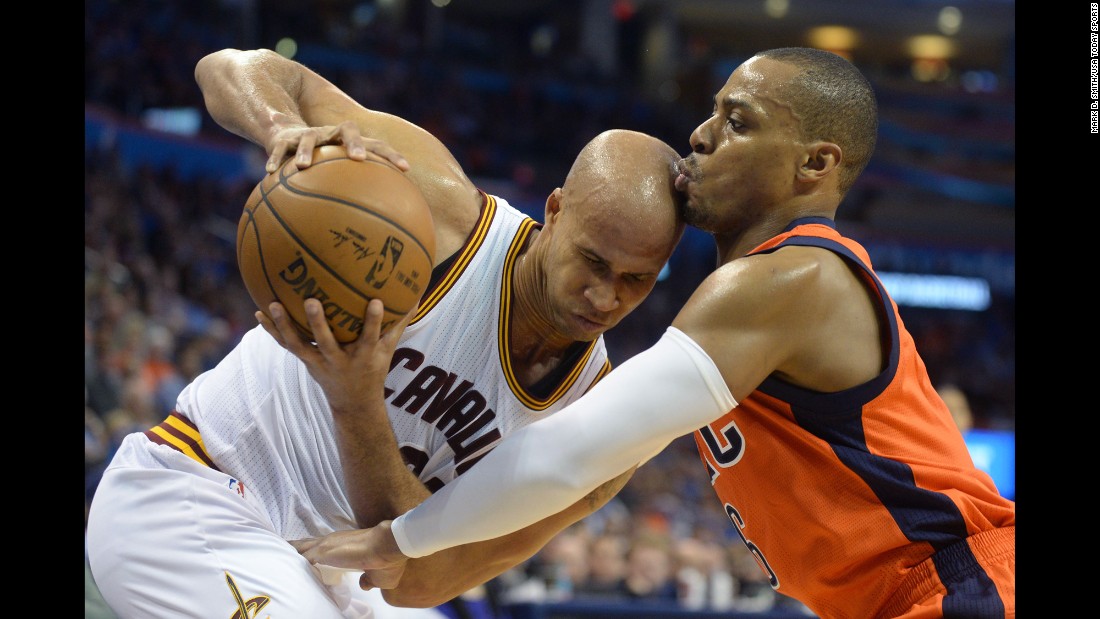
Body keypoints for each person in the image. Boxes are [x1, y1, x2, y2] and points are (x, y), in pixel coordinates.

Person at [290, 47, 1017, 618]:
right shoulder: (763, 289)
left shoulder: (794, 279)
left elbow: (571, 449)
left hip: (959, 584)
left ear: (816, 164)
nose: (700, 134)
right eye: (713, 113)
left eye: (739, 121)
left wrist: (398, 536)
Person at [85, 47, 687, 618]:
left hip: (327, 568)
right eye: (594, 262)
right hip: (195, 493)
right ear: (554, 211)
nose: (607, 297)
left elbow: (425, 580)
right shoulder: (438, 210)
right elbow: (232, 68)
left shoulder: (600, 420)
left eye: (638, 280)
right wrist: (281, 132)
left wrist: (357, 401)